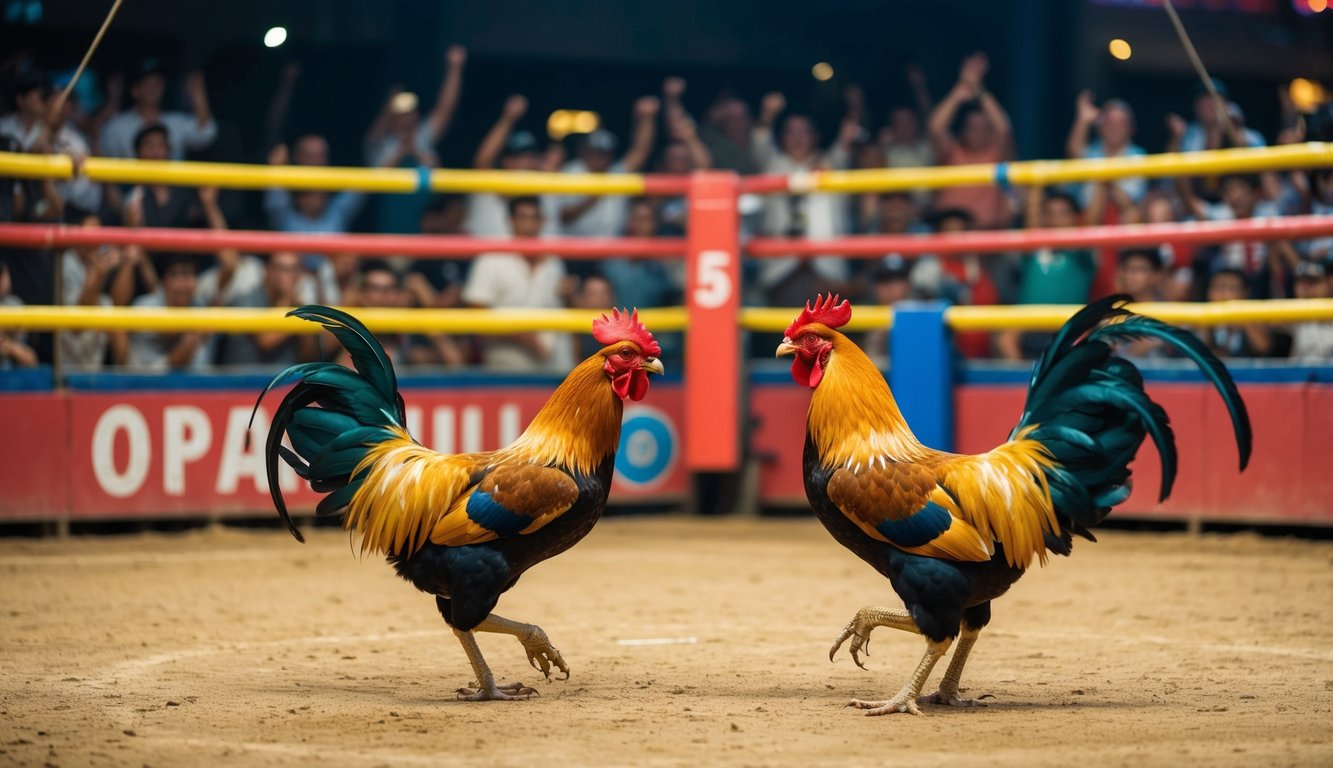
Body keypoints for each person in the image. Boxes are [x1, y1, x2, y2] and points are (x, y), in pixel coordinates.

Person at [751, 91, 859, 307]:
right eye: (792, 132)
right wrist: (767, 115)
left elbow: (848, 138)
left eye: (804, 132)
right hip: (780, 265)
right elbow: (760, 142)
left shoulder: (830, 162)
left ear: (815, 137)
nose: (798, 138)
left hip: (826, 265)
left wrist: (855, 106)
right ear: (781, 138)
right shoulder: (772, 163)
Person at [364, 45, 466, 234]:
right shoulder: (379, 144)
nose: (408, 118)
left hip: (425, 235)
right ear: (391, 117)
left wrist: (455, 67)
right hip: (389, 232)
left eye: (412, 113)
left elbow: (445, 110)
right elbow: (374, 180)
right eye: (402, 114)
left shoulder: (423, 138)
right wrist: (402, 151)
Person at [461, 197, 570, 372]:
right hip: (506, 362)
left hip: (555, 361)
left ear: (542, 221)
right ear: (510, 221)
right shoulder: (491, 258)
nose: (529, 224)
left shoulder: (553, 261)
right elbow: (476, 314)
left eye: (535, 218)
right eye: (523, 217)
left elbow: (562, 308)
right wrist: (524, 337)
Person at [997, 189, 1098, 361]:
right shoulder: (1033, 248)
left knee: (1088, 338)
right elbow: (1032, 220)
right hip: (1029, 324)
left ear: (1075, 218)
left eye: (1062, 214)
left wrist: (1101, 182)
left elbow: (1093, 223)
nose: (1055, 219)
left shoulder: (1081, 251)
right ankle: (1028, 384)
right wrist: (1037, 180)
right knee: (1005, 339)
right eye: (1049, 213)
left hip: (1069, 325)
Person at [927, 52, 1013, 229]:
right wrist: (959, 91)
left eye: (982, 128)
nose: (976, 133)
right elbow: (935, 127)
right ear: (962, 131)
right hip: (948, 236)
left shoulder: (997, 154)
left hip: (988, 238)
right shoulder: (952, 152)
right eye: (971, 128)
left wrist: (980, 91)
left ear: (990, 132)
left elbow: (1004, 129)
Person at [556, 96, 659, 238]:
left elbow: (641, 151)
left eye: (604, 153)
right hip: (574, 251)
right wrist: (594, 196)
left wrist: (647, 118)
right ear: (584, 151)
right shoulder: (571, 171)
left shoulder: (615, 173)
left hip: (612, 253)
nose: (599, 158)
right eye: (595, 152)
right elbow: (563, 216)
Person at [466, 95, 560, 237]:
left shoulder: (545, 184)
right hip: (490, 256)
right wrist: (507, 119)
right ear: (506, 161)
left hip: (530, 257)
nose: (526, 163)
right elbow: (482, 162)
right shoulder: (488, 182)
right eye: (518, 157)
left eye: (531, 156)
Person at [58, 213, 129, 372]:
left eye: (99, 232)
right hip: (68, 371)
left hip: (95, 371)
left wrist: (126, 262)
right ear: (74, 234)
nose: (95, 239)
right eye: (90, 232)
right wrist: (98, 274)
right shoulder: (66, 263)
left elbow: (120, 303)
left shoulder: (100, 260)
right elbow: (76, 325)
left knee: (116, 320)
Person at [100, 63, 217, 160]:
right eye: (147, 83)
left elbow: (205, 134)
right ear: (135, 90)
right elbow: (104, 162)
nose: (153, 88)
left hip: (171, 186)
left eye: (158, 83)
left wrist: (198, 94)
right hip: (133, 187)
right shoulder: (116, 126)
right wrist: (112, 101)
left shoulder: (176, 122)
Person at [126, 253, 212, 372]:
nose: (184, 283)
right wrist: (192, 329)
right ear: (163, 280)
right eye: (176, 275)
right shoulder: (144, 306)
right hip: (145, 382)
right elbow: (166, 333)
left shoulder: (199, 307)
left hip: (191, 386)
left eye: (189, 274)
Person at [1066, 91, 1146, 207]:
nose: (1113, 129)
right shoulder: (1093, 150)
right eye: (1108, 123)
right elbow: (1073, 154)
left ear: (1131, 129)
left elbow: (1131, 205)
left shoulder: (1139, 157)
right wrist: (1083, 120)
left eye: (1119, 124)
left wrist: (1107, 181)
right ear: (1100, 127)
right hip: (1088, 216)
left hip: (1122, 220)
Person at [1201, 268, 1272, 359]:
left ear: (1245, 292)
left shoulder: (1255, 317)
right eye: (1218, 287)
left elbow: (1263, 348)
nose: (1224, 294)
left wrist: (1241, 318)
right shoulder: (1200, 317)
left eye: (1231, 288)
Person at [1288, 261, 1333, 361]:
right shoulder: (1293, 311)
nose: (1306, 288)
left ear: (1328, 284)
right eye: (1302, 282)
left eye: (1313, 282)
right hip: (1302, 375)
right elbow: (1263, 323)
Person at [0, 262, 38, 369]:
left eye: (2, 274)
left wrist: (10, 348)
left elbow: (32, 361)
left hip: (13, 370)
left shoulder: (13, 303)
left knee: (27, 357)